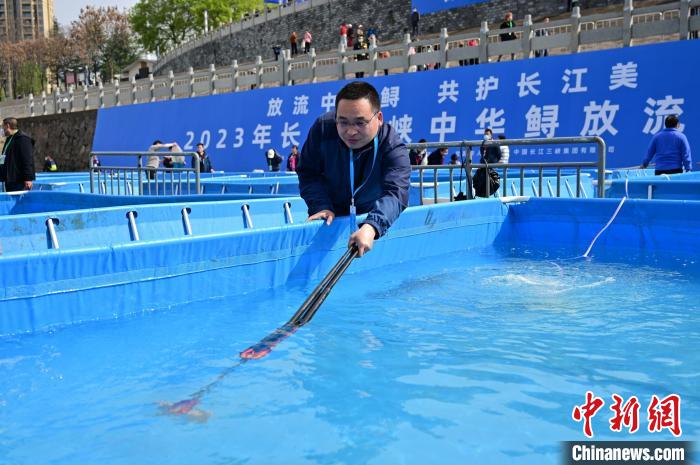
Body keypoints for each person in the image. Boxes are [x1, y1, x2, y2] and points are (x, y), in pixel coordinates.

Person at [296, 81, 410, 257]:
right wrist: (319, 205)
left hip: (370, 218)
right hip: (328, 215)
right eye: (343, 122)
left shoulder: (392, 146)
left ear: (379, 118)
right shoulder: (323, 128)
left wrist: (372, 226)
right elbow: (308, 172)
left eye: (360, 123)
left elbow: (396, 192)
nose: (350, 131)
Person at [0, 117, 35, 192]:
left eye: (3, 127)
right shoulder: (10, 138)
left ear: (8, 126)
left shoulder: (22, 139)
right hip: (9, 179)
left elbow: (27, 159)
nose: (2, 129)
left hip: (18, 180)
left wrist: (28, 179)